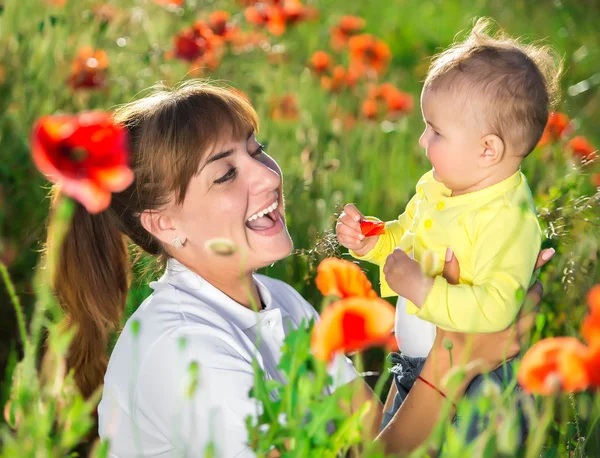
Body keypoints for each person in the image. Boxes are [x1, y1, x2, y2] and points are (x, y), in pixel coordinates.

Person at [49, 80, 552, 458]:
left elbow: (380, 446)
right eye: (225, 174)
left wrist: (447, 334)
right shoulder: (184, 354)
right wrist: (452, 361)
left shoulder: (280, 302)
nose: (267, 177)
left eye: (256, 150)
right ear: (164, 223)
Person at [335, 19, 560, 438]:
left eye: (435, 131)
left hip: (478, 386)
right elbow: (409, 237)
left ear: (487, 150)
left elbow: (496, 308)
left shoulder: (507, 219)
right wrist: (376, 242)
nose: (423, 141)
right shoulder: (439, 186)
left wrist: (422, 290)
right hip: (421, 372)